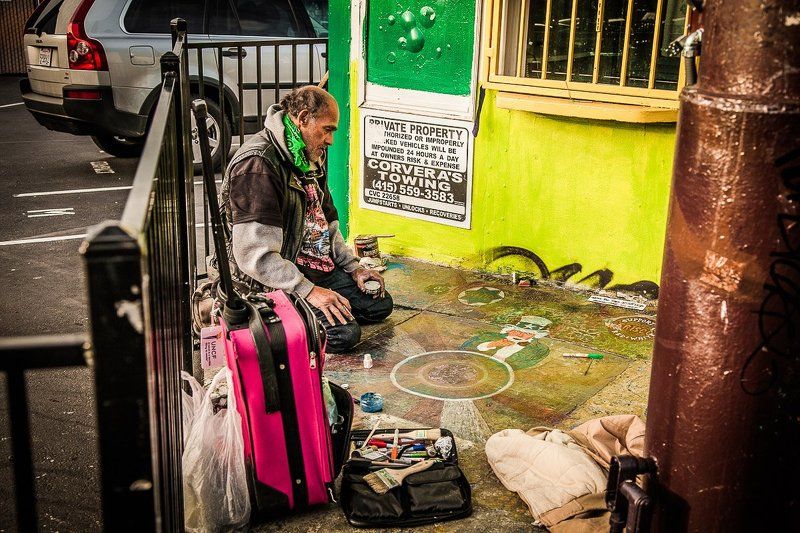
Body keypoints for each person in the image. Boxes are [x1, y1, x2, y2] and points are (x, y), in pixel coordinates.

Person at [216, 86, 392, 353]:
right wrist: (309, 291)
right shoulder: (258, 165)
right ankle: (274, 325)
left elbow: (326, 223)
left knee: (379, 304)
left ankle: (310, 312)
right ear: (303, 118)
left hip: (312, 265)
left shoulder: (308, 153)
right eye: (327, 129)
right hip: (271, 279)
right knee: (344, 334)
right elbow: (256, 258)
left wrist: (353, 267)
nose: (330, 139)